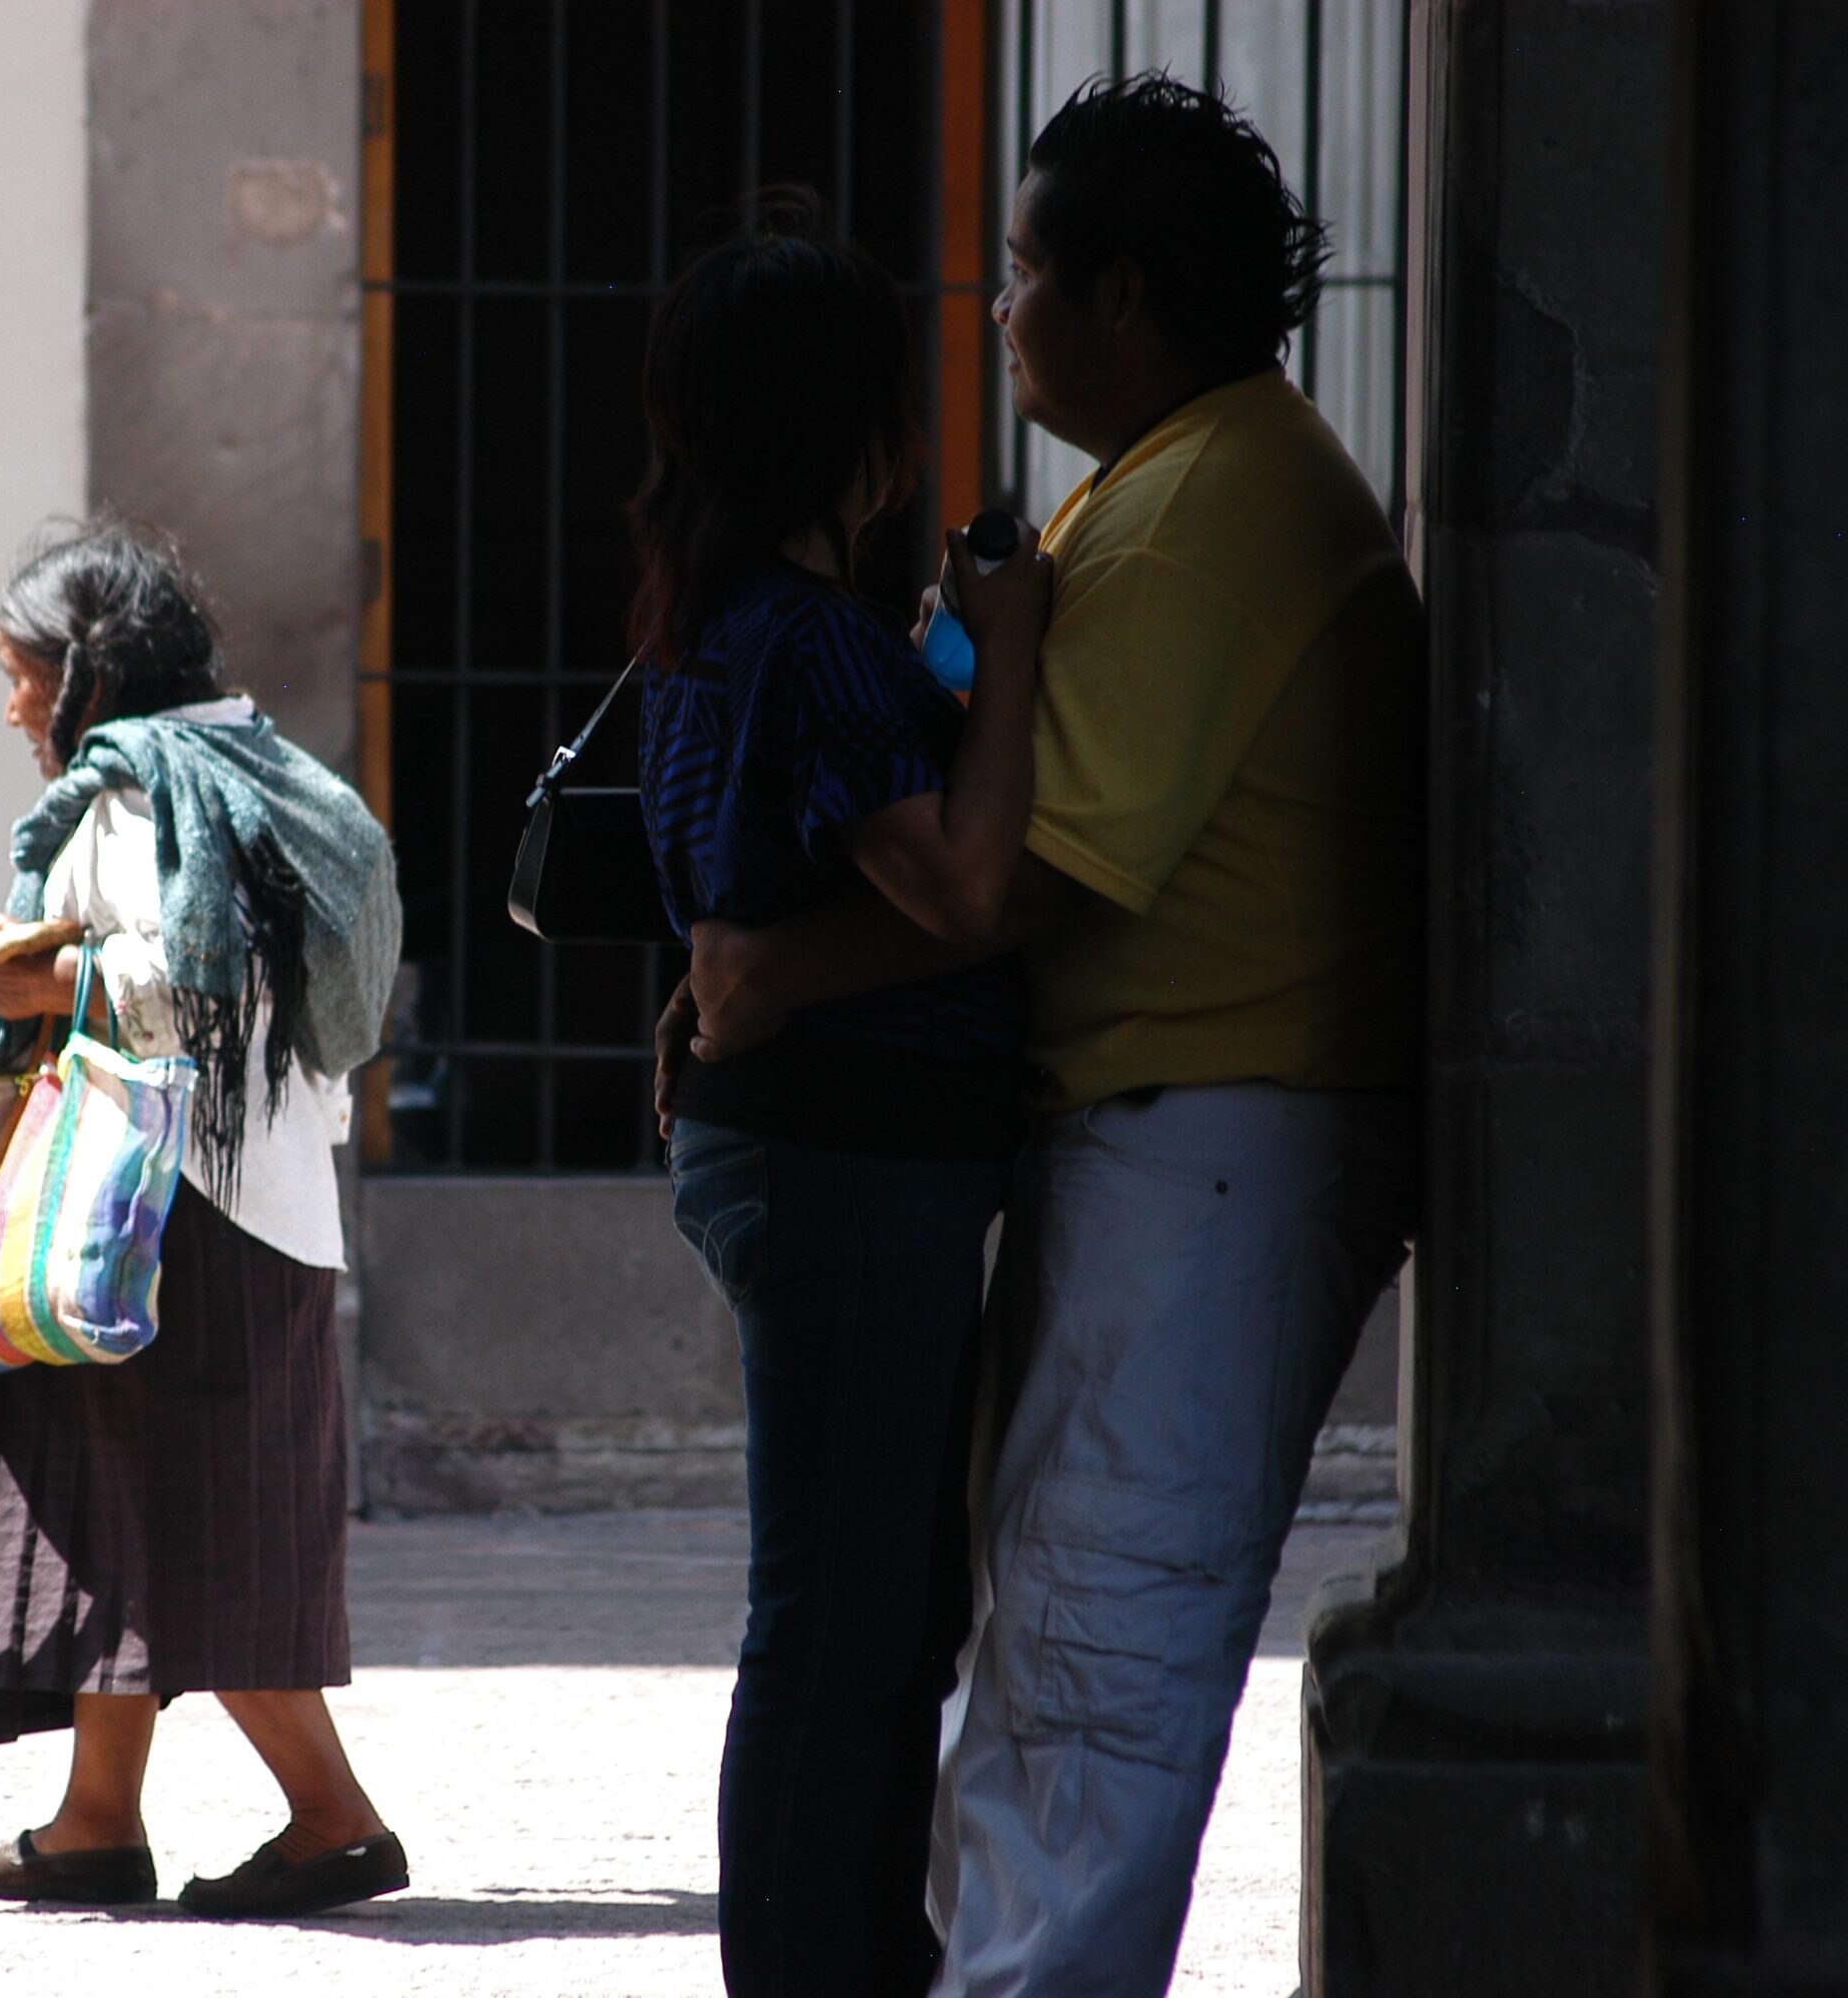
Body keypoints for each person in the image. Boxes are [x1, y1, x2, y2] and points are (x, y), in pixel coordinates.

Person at [667, 79, 1425, 1996]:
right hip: (1152, 1127)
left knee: (1078, 1661)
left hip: (1208, 1134)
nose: (994, 316)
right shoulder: (1160, 483)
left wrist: (759, 979)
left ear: (1125, 292)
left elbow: (996, 883)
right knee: (973, 1642)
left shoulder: (1203, 505)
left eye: (1021, 275)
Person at [0, 519, 411, 1920]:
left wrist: (45, 991)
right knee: (126, 1517)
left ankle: (332, 1820)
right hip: (242, 1212)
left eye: (22, 674)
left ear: (87, 671)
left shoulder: (145, 800)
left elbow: (206, 1005)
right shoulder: (262, 774)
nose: (12, 708)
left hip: (164, 1225)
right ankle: (97, 1819)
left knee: (189, 1529)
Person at [633, 194, 1055, 1997]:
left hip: (802, 1153)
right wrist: (1012, 633)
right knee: (842, 1619)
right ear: (854, 429)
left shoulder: (715, 627)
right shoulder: (804, 641)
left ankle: (860, 1948)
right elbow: (960, 886)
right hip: (844, 1168)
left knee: (874, 1611)